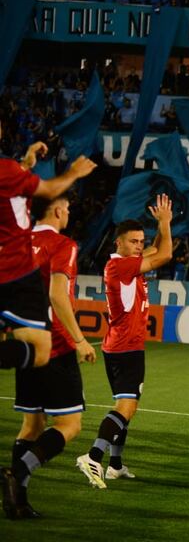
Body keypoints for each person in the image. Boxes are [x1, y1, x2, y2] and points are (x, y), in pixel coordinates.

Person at [1, 196, 97, 519]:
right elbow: (58, 295)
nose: (69, 212)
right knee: (70, 425)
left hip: (27, 345)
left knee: (31, 425)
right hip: (55, 347)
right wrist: (80, 339)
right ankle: (19, 473)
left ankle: (16, 502)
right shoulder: (63, 244)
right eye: (67, 208)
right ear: (57, 211)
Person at [76, 195, 173, 488]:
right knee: (125, 408)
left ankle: (115, 465)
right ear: (118, 243)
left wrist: (159, 229)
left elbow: (157, 248)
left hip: (123, 344)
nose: (140, 246)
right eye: (134, 241)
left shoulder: (127, 263)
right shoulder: (121, 266)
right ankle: (93, 456)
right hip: (125, 347)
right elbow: (165, 253)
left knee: (127, 405)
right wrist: (166, 223)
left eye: (141, 241)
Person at [0, 138, 95, 373]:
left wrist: (25, 164)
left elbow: (12, 187)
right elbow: (50, 190)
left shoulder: (10, 172)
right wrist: (74, 172)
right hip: (15, 271)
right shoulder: (63, 245)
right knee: (41, 351)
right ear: (59, 211)